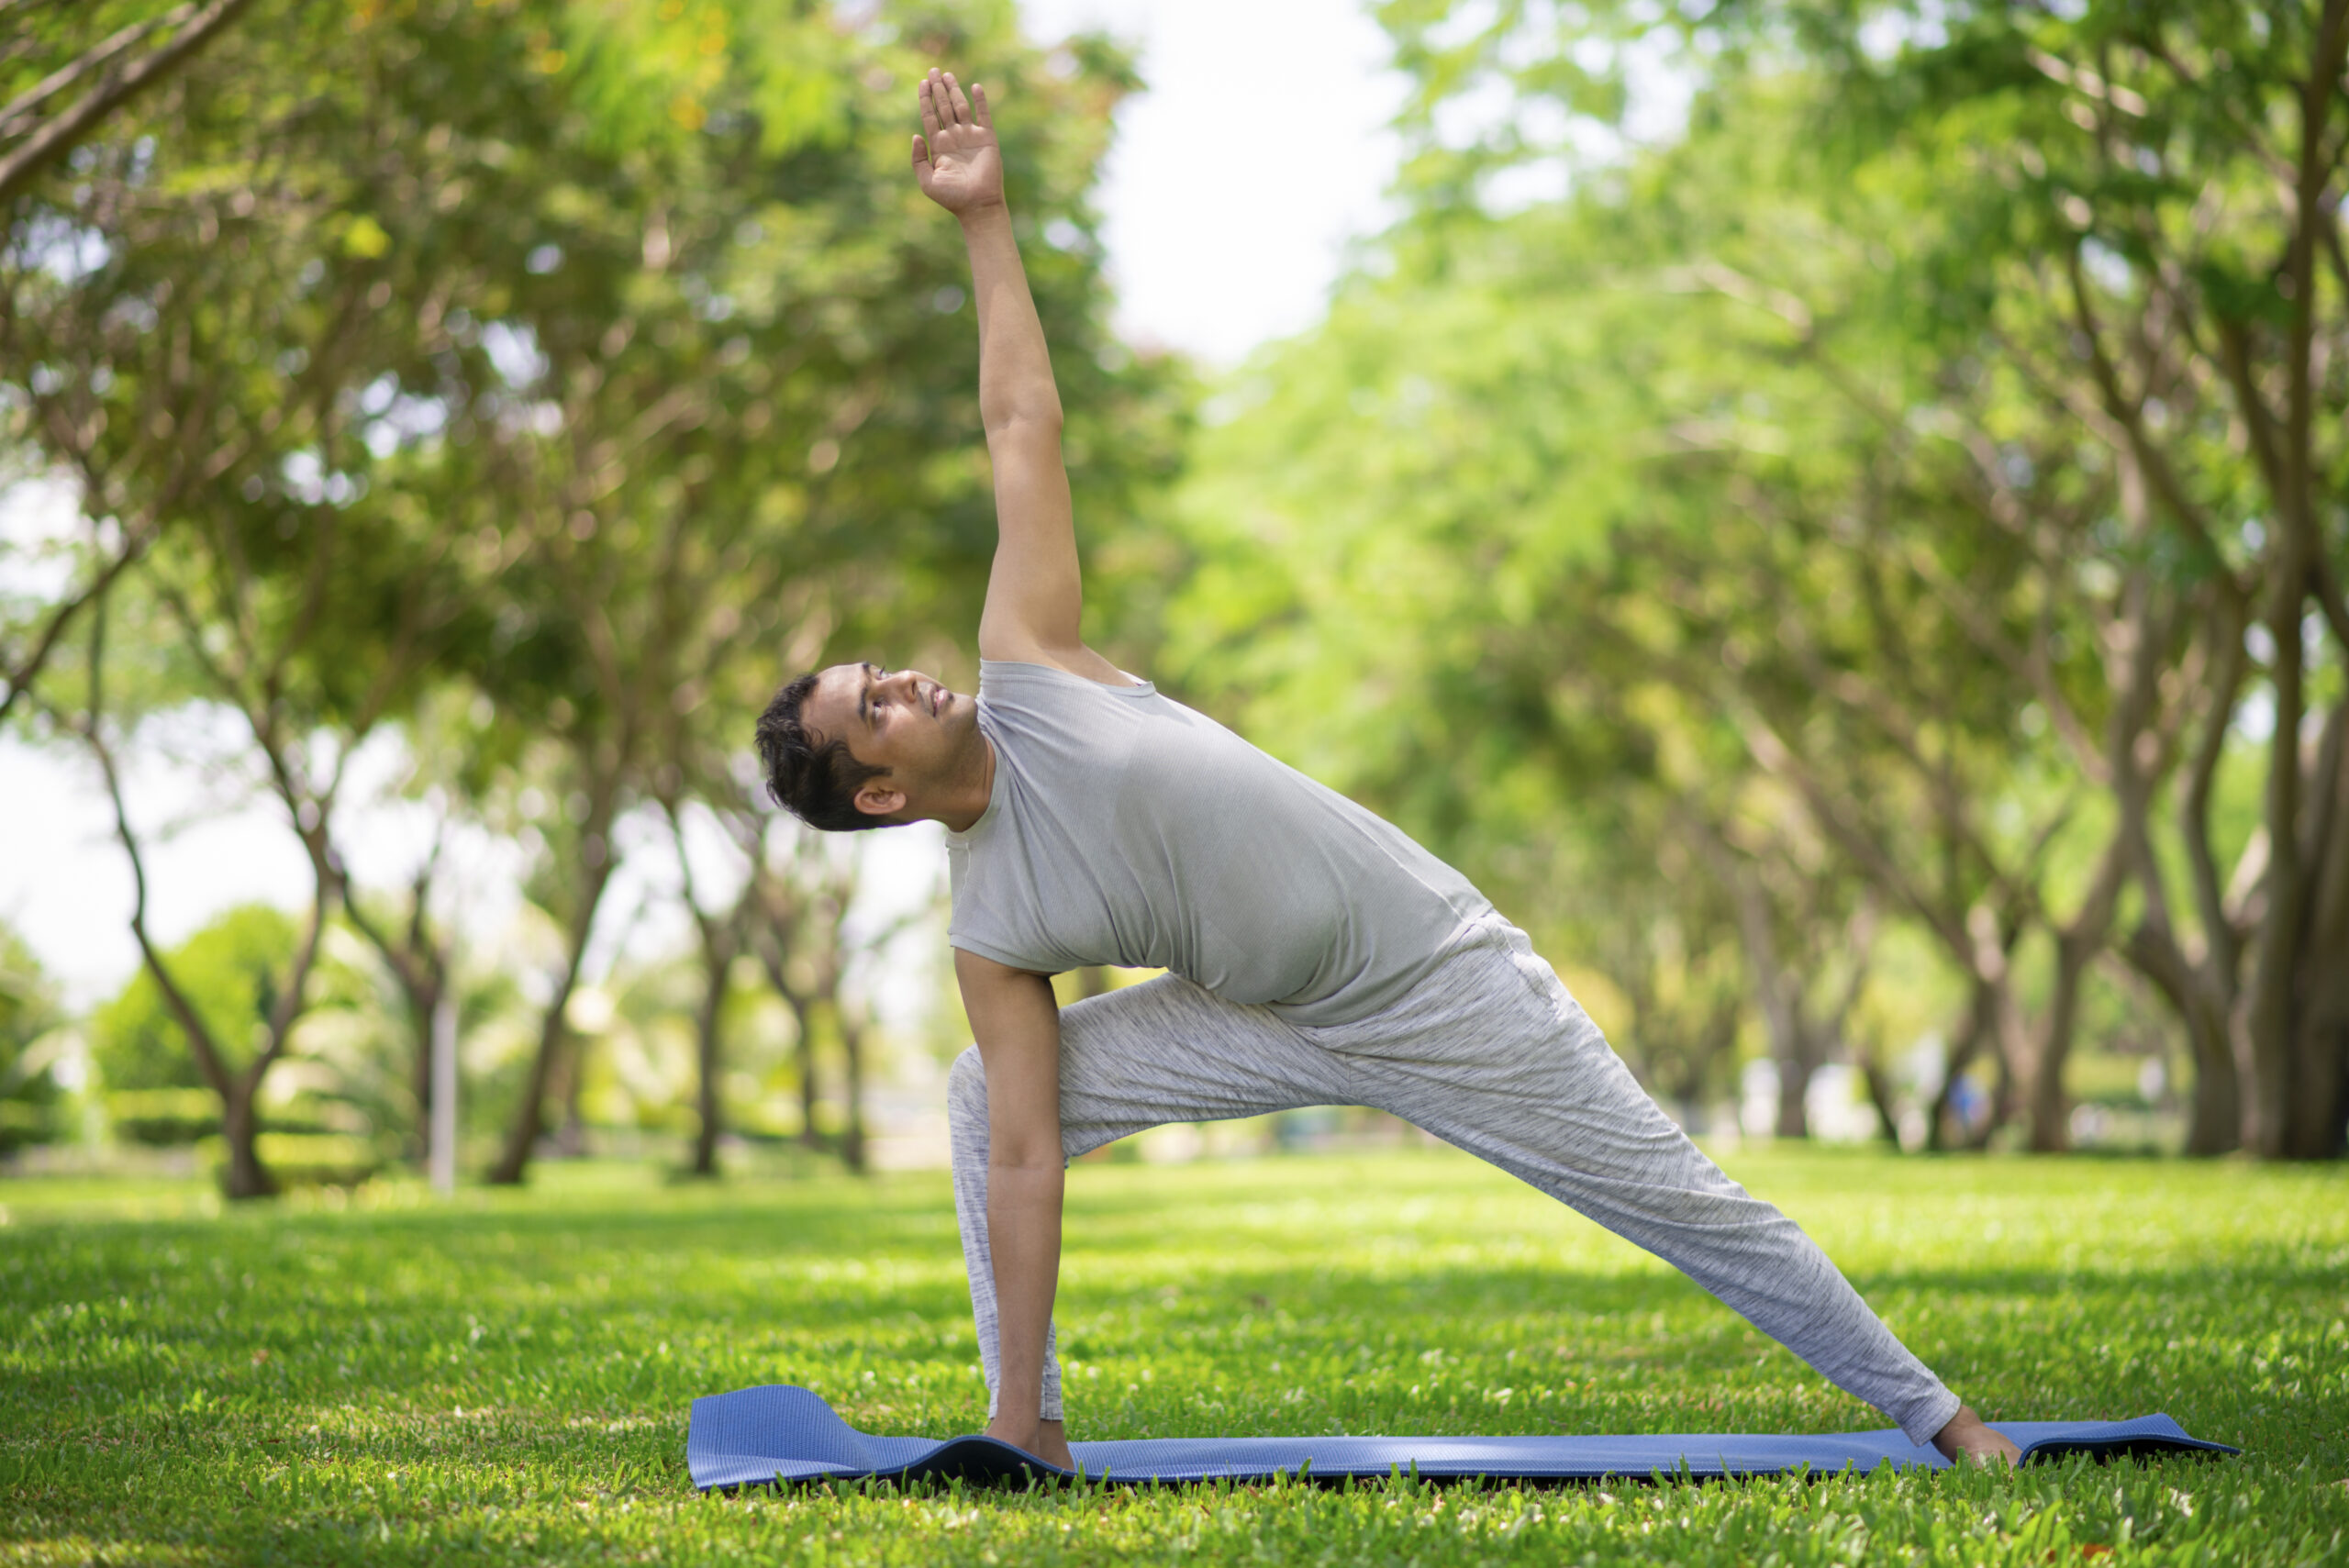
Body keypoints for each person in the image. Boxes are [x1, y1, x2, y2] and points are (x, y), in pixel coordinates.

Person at [753, 67, 2023, 1473]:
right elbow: (1024, 1161)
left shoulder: (1030, 664)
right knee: (988, 1100)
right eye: (875, 705)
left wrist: (985, 220)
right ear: (877, 791)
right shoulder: (991, 929)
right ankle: (1027, 1427)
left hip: (1437, 976)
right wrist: (1008, 1411)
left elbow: (1019, 428)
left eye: (882, 670)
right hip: (1266, 1014)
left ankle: (1949, 1422)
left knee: (1681, 1201)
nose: (906, 679)